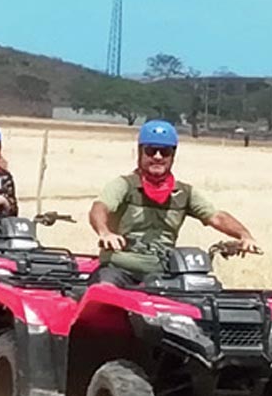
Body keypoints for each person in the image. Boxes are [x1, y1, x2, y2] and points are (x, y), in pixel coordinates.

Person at [88, 120, 261, 287]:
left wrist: (244, 235)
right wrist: (105, 233)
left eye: (165, 152)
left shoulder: (184, 193)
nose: (157, 157)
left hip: (163, 272)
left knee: (203, 299)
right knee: (103, 293)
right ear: (140, 153)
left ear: (173, 156)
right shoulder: (124, 185)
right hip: (119, 269)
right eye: (151, 151)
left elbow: (216, 217)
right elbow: (100, 208)